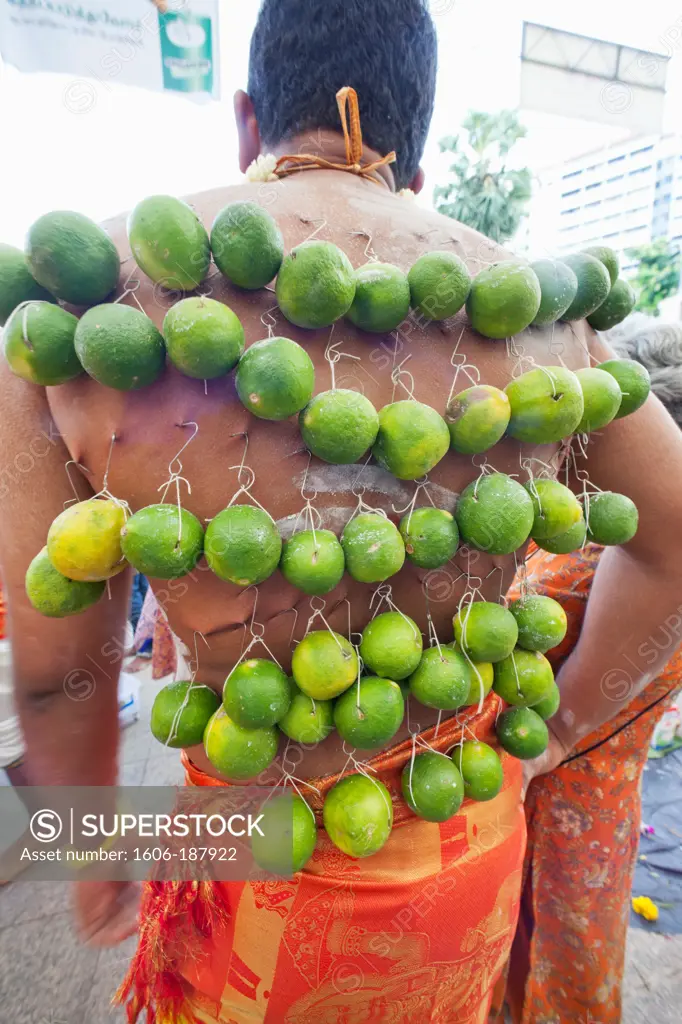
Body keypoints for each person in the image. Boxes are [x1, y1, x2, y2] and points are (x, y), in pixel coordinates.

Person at [2, 2, 682, 1021]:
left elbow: (55, 678)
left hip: (242, 839)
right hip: (466, 834)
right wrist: (562, 727)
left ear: (247, 118)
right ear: (417, 152)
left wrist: (96, 851)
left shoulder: (77, 311)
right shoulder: (545, 313)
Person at [491, 315, 682, 1024]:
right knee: (559, 962)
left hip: (546, 789)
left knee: (548, 957)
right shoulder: (608, 538)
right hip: (592, 800)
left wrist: (563, 728)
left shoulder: (613, 556)